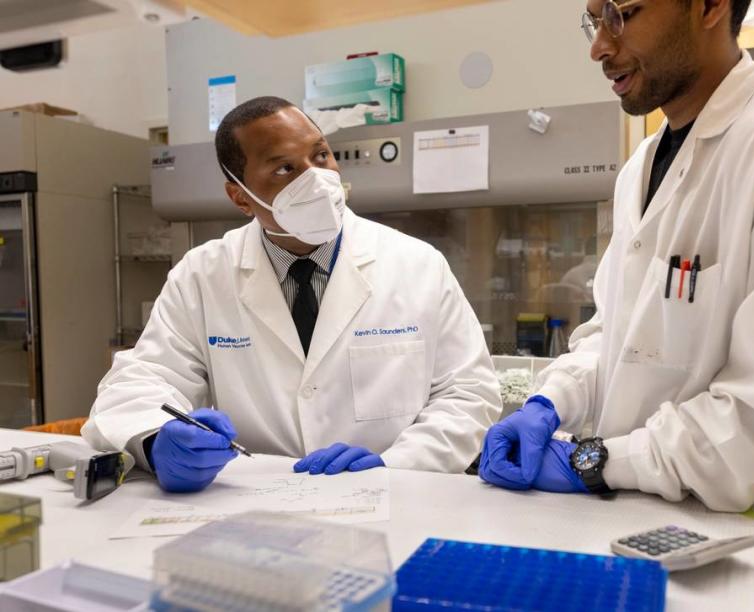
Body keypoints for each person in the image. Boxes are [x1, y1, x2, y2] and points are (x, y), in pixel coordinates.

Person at [479, 0, 754, 511]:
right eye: (593, 19)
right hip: (627, 519)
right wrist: (552, 399)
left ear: (710, 7)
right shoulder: (641, 166)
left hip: (746, 540)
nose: (599, 46)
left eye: (619, 14)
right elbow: (617, 336)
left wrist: (599, 462)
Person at [83, 96, 500, 492]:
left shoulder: (416, 263)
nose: (316, 180)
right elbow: (140, 383)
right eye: (284, 169)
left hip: (396, 502)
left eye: (320, 156)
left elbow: (469, 392)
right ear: (240, 197)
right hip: (256, 510)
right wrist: (156, 442)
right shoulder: (202, 275)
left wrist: (398, 465)